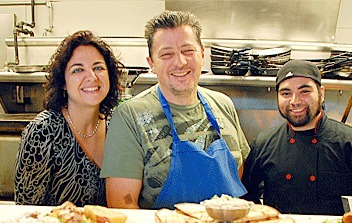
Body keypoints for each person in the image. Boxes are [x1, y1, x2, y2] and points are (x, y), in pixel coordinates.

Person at [100, 11, 250, 209]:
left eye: (188, 51)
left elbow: (238, 174)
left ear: (202, 54)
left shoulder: (224, 104)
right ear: (151, 63)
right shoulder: (130, 116)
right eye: (166, 54)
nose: (180, 62)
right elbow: (122, 205)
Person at [241, 59, 352, 215]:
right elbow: (246, 197)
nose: (295, 101)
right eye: (286, 93)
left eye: (304, 91)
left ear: (321, 93)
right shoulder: (263, 143)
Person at [15, 30, 124, 206]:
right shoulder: (43, 131)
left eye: (98, 68)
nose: (92, 77)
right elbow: (26, 209)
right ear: (63, 83)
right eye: (78, 70)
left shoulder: (118, 126)